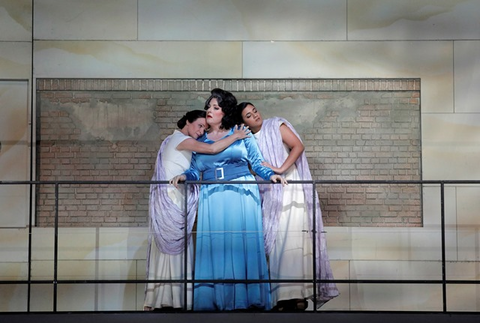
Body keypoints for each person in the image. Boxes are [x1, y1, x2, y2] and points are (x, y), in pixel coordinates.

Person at [171, 89, 285, 312]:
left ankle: (248, 298)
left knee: (242, 244)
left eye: (215, 107)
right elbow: (195, 171)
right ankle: (213, 300)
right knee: (217, 245)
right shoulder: (200, 139)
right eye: (208, 107)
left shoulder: (241, 132)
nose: (209, 111)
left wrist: (271, 175)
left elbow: (257, 162)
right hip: (212, 196)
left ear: (226, 112)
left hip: (241, 193)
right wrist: (185, 176)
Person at [236, 102, 339, 311]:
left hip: (290, 187)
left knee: (292, 239)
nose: (255, 115)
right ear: (243, 122)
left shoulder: (276, 125)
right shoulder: (247, 140)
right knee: (276, 243)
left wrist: (281, 168)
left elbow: (298, 146)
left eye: (254, 110)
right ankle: (281, 296)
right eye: (249, 115)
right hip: (268, 193)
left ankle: (298, 296)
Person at [144, 109, 250, 312]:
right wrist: (236, 136)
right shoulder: (179, 139)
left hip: (177, 196)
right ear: (186, 121)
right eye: (199, 125)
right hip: (172, 198)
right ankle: (170, 299)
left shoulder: (171, 140)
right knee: (173, 248)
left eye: (204, 127)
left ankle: (169, 297)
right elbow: (211, 150)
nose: (202, 131)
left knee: (176, 247)